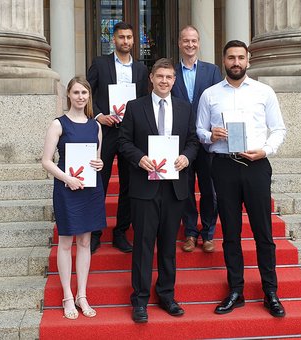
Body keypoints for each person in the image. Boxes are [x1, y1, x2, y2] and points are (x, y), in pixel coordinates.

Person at [196, 40, 287, 318]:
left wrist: (265, 151)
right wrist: (211, 136)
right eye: (231, 58)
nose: (236, 62)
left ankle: (270, 291)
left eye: (240, 58)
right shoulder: (210, 95)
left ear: (248, 60)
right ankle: (236, 290)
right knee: (231, 234)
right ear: (223, 61)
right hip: (223, 166)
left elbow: (278, 129)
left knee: (263, 232)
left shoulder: (264, 91)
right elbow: (199, 130)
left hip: (255, 165)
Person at [118, 58, 199, 323]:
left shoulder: (185, 108)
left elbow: (193, 141)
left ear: (174, 80)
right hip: (145, 186)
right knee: (143, 245)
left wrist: (186, 157)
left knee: (167, 245)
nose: (164, 81)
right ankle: (139, 300)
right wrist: (139, 157)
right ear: (151, 78)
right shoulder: (135, 107)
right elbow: (124, 142)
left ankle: (166, 294)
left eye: (169, 77)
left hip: (174, 186)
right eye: (160, 76)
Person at [42, 76, 106, 319]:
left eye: (85, 93)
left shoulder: (96, 126)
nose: (81, 97)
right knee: (66, 242)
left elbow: (97, 158)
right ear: (68, 95)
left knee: (85, 242)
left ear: (90, 97)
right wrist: (66, 178)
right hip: (67, 189)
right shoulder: (58, 124)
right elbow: (46, 161)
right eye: (76, 92)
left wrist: (100, 164)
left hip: (90, 189)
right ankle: (68, 296)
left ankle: (82, 295)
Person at [87, 21, 149, 253]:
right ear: (113, 39)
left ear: (134, 40)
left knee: (128, 184)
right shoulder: (99, 64)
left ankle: (120, 232)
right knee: (99, 182)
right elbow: (87, 93)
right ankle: (94, 232)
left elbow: (144, 101)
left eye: (129, 37)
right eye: (121, 37)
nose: (125, 41)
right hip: (106, 131)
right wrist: (99, 116)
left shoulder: (142, 70)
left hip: (130, 133)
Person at [171, 25, 222, 253]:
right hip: (181, 141)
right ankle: (190, 233)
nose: (190, 45)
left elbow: (219, 104)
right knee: (186, 188)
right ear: (179, 44)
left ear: (198, 43)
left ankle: (208, 233)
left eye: (193, 41)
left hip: (209, 141)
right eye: (185, 41)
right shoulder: (170, 72)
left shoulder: (212, 71)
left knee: (210, 188)